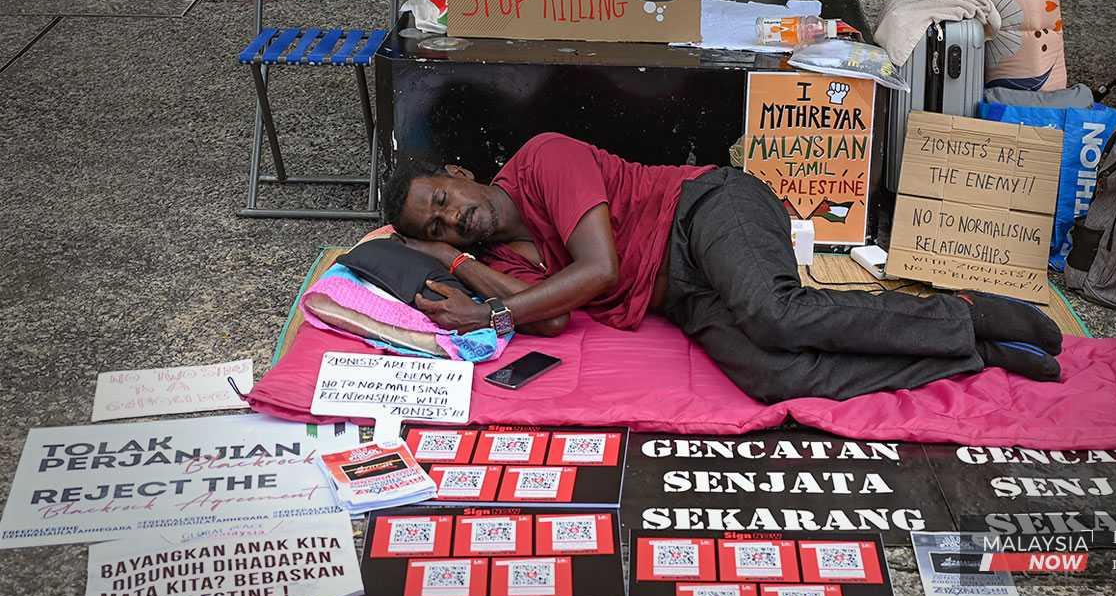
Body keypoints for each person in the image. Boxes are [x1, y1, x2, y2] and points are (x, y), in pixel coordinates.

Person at [383, 132, 1063, 403]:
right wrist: (459, 262)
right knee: (777, 377)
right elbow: (555, 313)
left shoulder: (542, 158)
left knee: (775, 313)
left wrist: (492, 311)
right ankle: (976, 354)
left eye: (443, 200)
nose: (451, 217)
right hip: (678, 293)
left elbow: (594, 269)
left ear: (459, 173)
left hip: (703, 208)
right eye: (435, 226)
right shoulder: (497, 257)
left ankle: (963, 311)